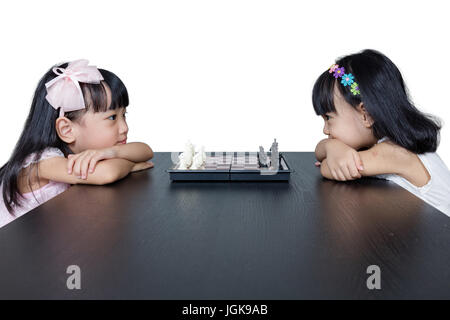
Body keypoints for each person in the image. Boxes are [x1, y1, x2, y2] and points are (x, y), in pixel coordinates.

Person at [0, 59, 154, 228]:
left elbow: (146, 151)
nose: (124, 128)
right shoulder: (41, 163)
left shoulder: (80, 154)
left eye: (124, 115)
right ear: (67, 130)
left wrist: (112, 153)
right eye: (112, 117)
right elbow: (107, 173)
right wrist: (131, 165)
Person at [312, 49, 450, 216]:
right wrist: (331, 147)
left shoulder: (395, 152)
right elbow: (319, 153)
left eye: (328, 118)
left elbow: (328, 168)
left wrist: (332, 149)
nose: (325, 129)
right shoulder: (386, 145)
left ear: (366, 115)